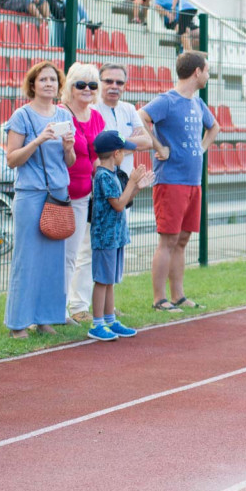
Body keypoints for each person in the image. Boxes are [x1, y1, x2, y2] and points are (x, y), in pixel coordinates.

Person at [66, 63, 152, 323]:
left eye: (119, 83)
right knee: (86, 248)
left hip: (121, 181)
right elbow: (95, 147)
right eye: (108, 81)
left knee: (111, 247)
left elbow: (146, 140)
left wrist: (118, 149)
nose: (114, 87)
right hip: (98, 185)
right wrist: (116, 149)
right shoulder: (92, 110)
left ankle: (105, 308)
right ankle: (79, 305)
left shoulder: (127, 109)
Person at [138, 51, 220, 312]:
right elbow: (141, 117)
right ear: (197, 72)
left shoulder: (198, 103)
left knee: (183, 239)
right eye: (206, 70)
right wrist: (159, 147)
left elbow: (214, 127)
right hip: (170, 180)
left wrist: (201, 148)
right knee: (168, 240)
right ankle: (159, 298)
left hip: (192, 181)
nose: (208, 75)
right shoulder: (168, 101)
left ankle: (178, 295)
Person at [3, 61, 75, 338]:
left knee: (52, 261)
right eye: (43, 79)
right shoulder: (22, 116)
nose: (49, 84)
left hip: (58, 194)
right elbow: (12, 159)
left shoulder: (64, 115)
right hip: (31, 195)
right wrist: (38, 141)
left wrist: (68, 148)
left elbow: (69, 162)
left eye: (53, 80)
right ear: (32, 84)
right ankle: (18, 323)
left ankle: (45, 318)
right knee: (27, 259)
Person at [87, 131, 152, 341]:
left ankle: (110, 319)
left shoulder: (112, 174)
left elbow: (123, 201)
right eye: (123, 152)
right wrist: (132, 183)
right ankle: (97, 323)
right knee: (102, 280)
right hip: (105, 237)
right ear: (116, 153)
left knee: (110, 280)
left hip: (115, 237)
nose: (123, 156)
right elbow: (117, 205)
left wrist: (136, 188)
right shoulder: (103, 175)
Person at [58, 63, 106, 323]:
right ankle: (58, 309)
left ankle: (75, 306)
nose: (87, 90)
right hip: (63, 194)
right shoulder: (61, 114)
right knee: (65, 254)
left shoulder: (96, 116)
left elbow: (97, 156)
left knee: (81, 253)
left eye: (93, 85)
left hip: (88, 195)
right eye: (81, 84)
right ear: (70, 87)